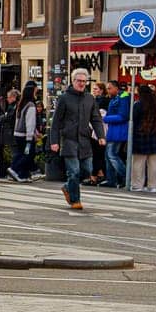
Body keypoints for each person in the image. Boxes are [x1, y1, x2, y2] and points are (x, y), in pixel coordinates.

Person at [50, 68, 106, 210]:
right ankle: (75, 200)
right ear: (73, 81)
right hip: (69, 140)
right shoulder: (64, 98)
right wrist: (54, 141)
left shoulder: (89, 99)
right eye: (79, 81)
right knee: (73, 171)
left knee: (87, 171)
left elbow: (96, 119)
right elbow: (56, 122)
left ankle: (68, 187)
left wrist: (101, 136)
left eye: (84, 81)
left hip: (85, 140)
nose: (81, 84)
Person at [129, 84, 156, 192]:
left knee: (138, 163)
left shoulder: (138, 104)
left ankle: (137, 185)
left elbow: (134, 120)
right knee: (155, 164)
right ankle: (153, 185)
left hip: (141, 136)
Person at [102, 80, 131, 188]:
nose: (108, 91)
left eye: (109, 88)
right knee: (108, 155)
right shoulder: (116, 98)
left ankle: (125, 176)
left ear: (116, 88)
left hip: (118, 130)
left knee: (111, 154)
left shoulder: (123, 97)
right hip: (114, 130)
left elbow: (123, 116)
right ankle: (111, 180)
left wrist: (105, 118)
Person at [9, 84, 41, 182]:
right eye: (35, 91)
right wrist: (30, 136)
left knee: (21, 153)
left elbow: (18, 120)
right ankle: (14, 169)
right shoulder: (31, 105)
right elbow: (30, 122)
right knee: (28, 155)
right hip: (25, 134)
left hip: (18, 133)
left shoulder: (21, 104)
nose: (36, 93)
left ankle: (23, 175)